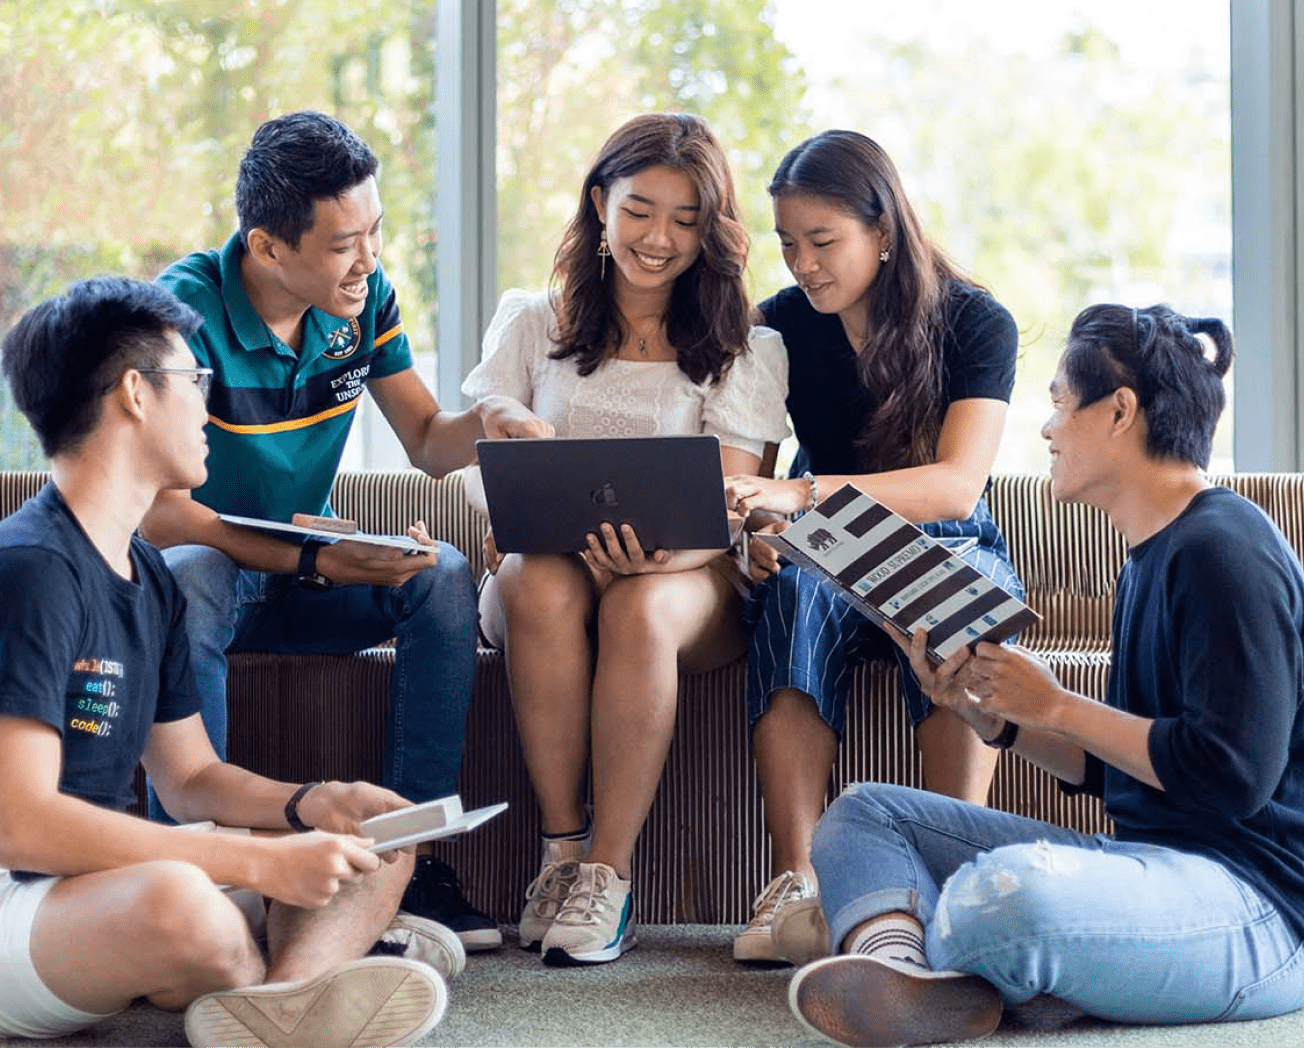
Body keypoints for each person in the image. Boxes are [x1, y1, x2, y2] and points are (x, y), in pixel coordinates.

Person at [0, 277, 462, 1048]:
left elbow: (191, 778)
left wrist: (318, 803)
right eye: (195, 381)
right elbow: (21, 828)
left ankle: (282, 996)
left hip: (70, 897)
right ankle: (311, 966)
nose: (209, 407)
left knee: (378, 840)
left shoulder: (147, 577)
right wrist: (255, 866)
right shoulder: (29, 570)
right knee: (180, 902)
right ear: (136, 394)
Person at [783, 304, 1304, 1048]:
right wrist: (993, 715)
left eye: (1059, 405)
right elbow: (1115, 769)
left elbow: (1233, 775)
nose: (1048, 431)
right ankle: (905, 971)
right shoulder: (1152, 553)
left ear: (1119, 411)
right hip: (1151, 867)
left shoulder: (1224, 549)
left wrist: (1055, 703)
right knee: (865, 815)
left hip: (1264, 910)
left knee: (1011, 897)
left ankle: (891, 934)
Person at [143, 111, 547, 952]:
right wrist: (320, 553)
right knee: (186, 573)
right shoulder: (181, 313)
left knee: (436, 572)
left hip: (298, 576)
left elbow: (432, 443)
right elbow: (158, 512)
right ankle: (198, 875)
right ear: (265, 247)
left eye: (376, 233)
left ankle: (415, 863)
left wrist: (491, 419)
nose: (367, 259)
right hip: (204, 580)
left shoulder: (362, 302)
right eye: (342, 243)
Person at [463, 112, 789, 967]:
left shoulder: (747, 345)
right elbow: (481, 464)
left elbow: (735, 496)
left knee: (640, 605)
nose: (659, 239)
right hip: (551, 569)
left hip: (686, 580)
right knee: (538, 577)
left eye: (687, 220)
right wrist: (505, 454)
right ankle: (560, 855)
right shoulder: (533, 319)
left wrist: (663, 552)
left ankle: (609, 874)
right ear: (601, 202)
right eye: (640, 210)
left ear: (712, 232)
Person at [721, 129, 1024, 964]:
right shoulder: (780, 327)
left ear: (883, 230)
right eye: (788, 245)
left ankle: (948, 873)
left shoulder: (973, 320)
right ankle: (801, 886)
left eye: (823, 242)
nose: (803, 264)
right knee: (791, 594)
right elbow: (744, 477)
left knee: (952, 600)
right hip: (824, 545)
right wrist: (754, 531)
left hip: (946, 536)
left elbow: (957, 484)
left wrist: (801, 493)